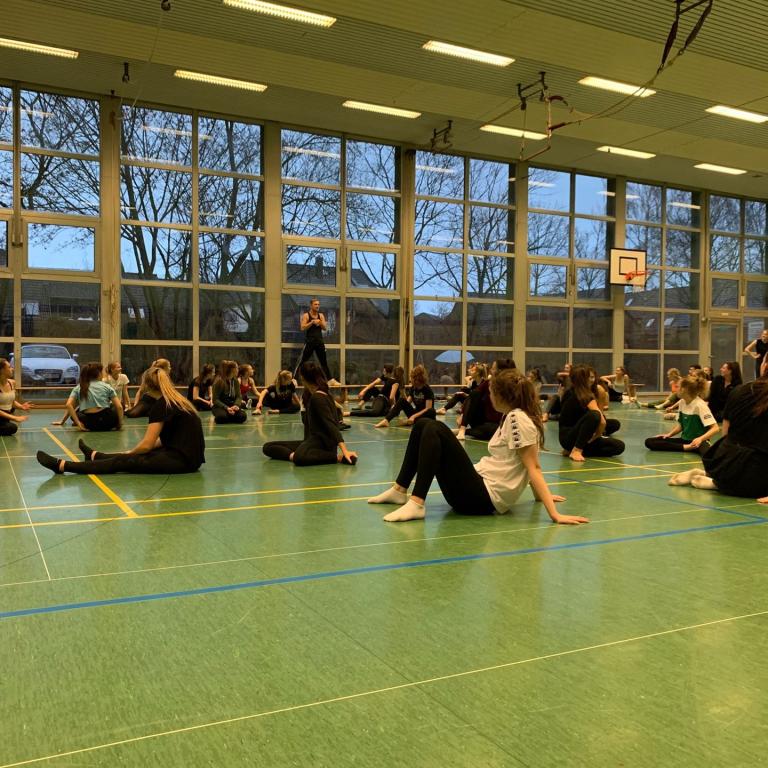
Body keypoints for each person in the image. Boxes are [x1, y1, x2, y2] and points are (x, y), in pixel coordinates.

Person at [368, 368, 589, 525]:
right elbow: (526, 463)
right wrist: (542, 496)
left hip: (481, 498)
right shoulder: (513, 416)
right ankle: (399, 490)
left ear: (502, 396)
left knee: (433, 427)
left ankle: (417, 503)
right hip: (477, 488)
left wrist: (554, 514)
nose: (488, 396)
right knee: (423, 424)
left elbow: (533, 467)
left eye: (491, 392)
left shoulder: (517, 419)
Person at [37, 366, 205, 475]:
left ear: (146, 386)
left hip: (182, 461)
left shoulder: (161, 405)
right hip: (191, 458)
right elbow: (165, 440)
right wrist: (133, 452)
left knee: (122, 461)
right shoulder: (178, 400)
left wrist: (131, 454)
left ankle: (63, 466)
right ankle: (96, 456)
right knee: (131, 455)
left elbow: (147, 445)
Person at [668, 373, 768, 501]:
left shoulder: (738, 390)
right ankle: (715, 483)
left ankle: (712, 477)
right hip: (753, 470)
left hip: (724, 463)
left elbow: (725, 434)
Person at [263, 362, 357, 466]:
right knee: (268, 447)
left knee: (300, 458)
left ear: (303, 378)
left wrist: (344, 450)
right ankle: (296, 455)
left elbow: (330, 425)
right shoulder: (312, 394)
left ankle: (336, 457)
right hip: (311, 441)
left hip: (322, 444)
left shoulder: (318, 397)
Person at [559, 364, 624, 461]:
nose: (592, 380)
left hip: (574, 437)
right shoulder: (582, 394)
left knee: (618, 446)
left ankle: (572, 449)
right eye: (588, 377)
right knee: (595, 415)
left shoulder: (572, 391)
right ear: (580, 379)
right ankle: (577, 450)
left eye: (593, 377)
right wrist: (597, 435)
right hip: (570, 438)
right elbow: (602, 421)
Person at [644, 376, 719, 454]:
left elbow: (715, 428)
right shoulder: (682, 402)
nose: (676, 390)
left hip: (699, 442)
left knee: (708, 455)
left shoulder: (700, 405)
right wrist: (669, 434)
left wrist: (700, 439)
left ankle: (690, 447)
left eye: (678, 387)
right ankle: (687, 447)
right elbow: (681, 425)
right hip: (685, 441)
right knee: (650, 442)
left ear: (684, 389)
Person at [52, 362, 123, 432]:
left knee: (76, 413)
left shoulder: (79, 387)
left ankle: (81, 423)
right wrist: (119, 424)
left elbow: (69, 405)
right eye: (102, 372)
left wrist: (68, 422)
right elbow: (119, 407)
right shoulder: (107, 386)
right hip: (108, 423)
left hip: (90, 424)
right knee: (113, 406)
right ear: (98, 374)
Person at [295, 298, 339, 385]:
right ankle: (294, 379)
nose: (317, 306)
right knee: (302, 361)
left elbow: (325, 328)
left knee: (323, 362)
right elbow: (302, 327)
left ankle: (330, 380)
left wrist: (320, 322)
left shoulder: (321, 315)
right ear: (311, 305)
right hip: (310, 342)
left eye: (318, 304)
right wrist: (311, 322)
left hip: (319, 341)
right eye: (315, 304)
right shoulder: (306, 315)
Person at [0, 357, 33, 436]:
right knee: (12, 428)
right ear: (2, 370)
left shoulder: (12, 383)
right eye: (9, 367)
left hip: (5, 417)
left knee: (10, 427)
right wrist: (15, 418)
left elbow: (11, 401)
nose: (12, 369)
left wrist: (21, 406)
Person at [212, 360, 247, 424]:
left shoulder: (235, 381)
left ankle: (229, 416)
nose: (238, 370)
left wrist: (236, 405)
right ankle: (226, 416)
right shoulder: (219, 381)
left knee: (242, 417)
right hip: (220, 406)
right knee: (222, 418)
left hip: (232, 405)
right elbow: (215, 400)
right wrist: (226, 408)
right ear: (232, 370)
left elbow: (239, 396)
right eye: (237, 368)